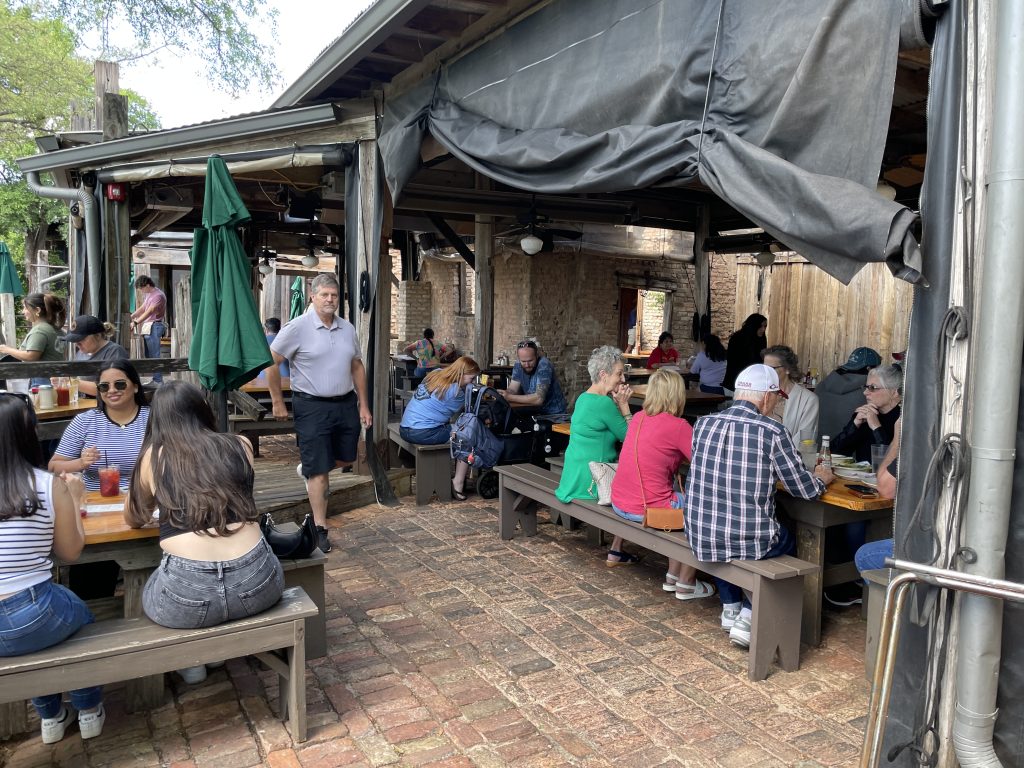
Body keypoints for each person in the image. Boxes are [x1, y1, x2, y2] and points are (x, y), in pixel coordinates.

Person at [125, 381, 284, 685]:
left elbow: (134, 517)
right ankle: (213, 653)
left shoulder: (151, 457)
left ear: (156, 419)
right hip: (258, 583)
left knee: (147, 589)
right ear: (203, 410)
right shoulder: (240, 444)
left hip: (186, 597)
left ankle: (191, 661)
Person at [685, 364, 834, 648]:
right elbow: (803, 489)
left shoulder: (703, 423)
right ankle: (751, 614)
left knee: (727, 522)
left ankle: (731, 606)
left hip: (699, 533)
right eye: (777, 397)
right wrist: (821, 478)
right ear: (766, 397)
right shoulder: (772, 431)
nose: (778, 403)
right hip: (747, 541)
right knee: (787, 538)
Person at [0, 392, 105, 743]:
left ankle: (50, 716)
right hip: (32, 608)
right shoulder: (45, 485)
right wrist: (74, 501)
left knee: (34, 638)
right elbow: (71, 551)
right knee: (82, 619)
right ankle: (88, 708)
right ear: (28, 432)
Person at [266, 273, 372, 554]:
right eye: (324, 294)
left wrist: (364, 404)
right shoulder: (297, 327)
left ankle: (311, 468)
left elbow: (357, 367)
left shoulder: (347, 328)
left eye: (334, 296)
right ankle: (320, 527)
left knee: (347, 457)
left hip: (345, 403)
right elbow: (271, 362)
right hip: (311, 406)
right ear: (312, 296)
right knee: (320, 473)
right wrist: (278, 401)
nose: (330, 300)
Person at [610, 369, 714, 599]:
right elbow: (704, 464)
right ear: (677, 395)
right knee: (702, 510)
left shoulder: (638, 417)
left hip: (620, 502)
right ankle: (686, 582)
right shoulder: (679, 426)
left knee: (676, 496)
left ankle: (673, 575)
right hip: (646, 508)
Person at [554, 346, 636, 564]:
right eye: (619, 373)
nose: (623, 378)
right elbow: (631, 438)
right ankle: (616, 550)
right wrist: (625, 405)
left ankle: (617, 549)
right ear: (603, 375)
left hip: (574, 476)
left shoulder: (583, 398)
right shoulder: (604, 404)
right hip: (592, 483)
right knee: (638, 491)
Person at [49, 361, 150, 493]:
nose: (112, 390)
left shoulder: (154, 418)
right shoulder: (85, 421)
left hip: (144, 499)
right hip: (95, 502)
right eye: (104, 386)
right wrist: (81, 463)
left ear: (135, 387)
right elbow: (53, 467)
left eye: (120, 384)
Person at [399, 356, 481, 500]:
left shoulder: (436, 373)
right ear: (461, 373)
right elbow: (469, 410)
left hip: (405, 427)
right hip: (423, 432)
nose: (473, 382)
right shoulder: (456, 393)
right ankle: (458, 483)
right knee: (467, 436)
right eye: (472, 378)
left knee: (455, 429)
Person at [853, 418, 900, 575]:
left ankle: (888, 599)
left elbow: (885, 488)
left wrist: (898, 437)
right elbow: (835, 448)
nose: (866, 392)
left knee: (864, 556)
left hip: (927, 547)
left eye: (874, 390)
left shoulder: (917, 447)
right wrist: (854, 425)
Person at [832, 363, 902, 463]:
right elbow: (834, 454)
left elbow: (893, 465)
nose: (865, 392)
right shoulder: (865, 414)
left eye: (872, 388)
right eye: (866, 387)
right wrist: (854, 425)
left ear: (894, 392)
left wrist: (876, 427)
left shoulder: (903, 420)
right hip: (857, 478)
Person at [816, 347, 882, 440]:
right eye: (878, 369)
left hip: (819, 450)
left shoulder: (821, 385)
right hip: (851, 452)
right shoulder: (870, 393)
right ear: (869, 369)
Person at [0, 293, 66, 385]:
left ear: (37, 310)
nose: (23, 312)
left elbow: (31, 356)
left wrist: (7, 349)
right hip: (56, 379)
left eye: (25, 308)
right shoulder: (58, 330)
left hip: (42, 381)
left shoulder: (40, 330)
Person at [761, 345, 819, 442]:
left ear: (787, 369)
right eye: (764, 368)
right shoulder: (758, 394)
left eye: (771, 368)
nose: (766, 373)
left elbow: (805, 438)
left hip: (789, 455)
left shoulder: (808, 399)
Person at [62, 315, 129, 398]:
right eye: (75, 340)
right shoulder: (81, 353)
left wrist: (70, 382)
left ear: (98, 335)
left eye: (82, 339)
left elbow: (110, 389)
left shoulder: (114, 352)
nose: (77, 344)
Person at [500, 340, 568, 418]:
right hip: (535, 412)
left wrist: (509, 397)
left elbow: (538, 399)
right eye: (523, 361)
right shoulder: (518, 364)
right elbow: (513, 389)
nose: (527, 365)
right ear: (519, 358)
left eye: (530, 361)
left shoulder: (544, 365)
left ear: (537, 355)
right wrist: (502, 394)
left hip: (554, 416)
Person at [130, 276, 166, 381]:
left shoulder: (158, 295)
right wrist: (132, 316)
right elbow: (143, 308)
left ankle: (158, 381)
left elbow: (150, 311)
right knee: (150, 355)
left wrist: (136, 322)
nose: (141, 291)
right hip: (149, 326)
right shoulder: (149, 294)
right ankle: (156, 379)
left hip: (155, 325)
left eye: (142, 288)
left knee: (155, 355)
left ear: (147, 285)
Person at [722, 313, 768, 393]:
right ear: (754, 326)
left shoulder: (761, 339)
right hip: (735, 383)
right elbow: (735, 361)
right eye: (761, 326)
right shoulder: (737, 338)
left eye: (765, 326)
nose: (763, 329)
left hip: (752, 384)